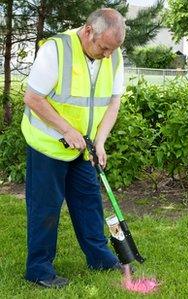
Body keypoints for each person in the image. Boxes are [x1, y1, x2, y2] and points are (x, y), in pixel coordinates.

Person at [21, 8, 126, 288]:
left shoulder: (113, 55)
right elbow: (32, 98)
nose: (107, 55)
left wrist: (100, 141)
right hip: (47, 146)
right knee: (46, 208)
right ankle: (39, 270)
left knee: (89, 203)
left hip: (84, 147)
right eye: (104, 48)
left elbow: (113, 101)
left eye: (112, 50)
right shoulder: (56, 50)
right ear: (89, 31)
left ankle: (100, 258)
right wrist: (67, 130)